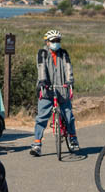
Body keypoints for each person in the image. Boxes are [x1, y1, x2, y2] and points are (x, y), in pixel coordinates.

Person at [29, 29, 78, 157]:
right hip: (46, 89)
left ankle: (73, 138)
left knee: (68, 115)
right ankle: (37, 144)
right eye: (53, 41)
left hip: (63, 89)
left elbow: (68, 68)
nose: (56, 43)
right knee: (42, 117)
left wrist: (70, 81)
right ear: (47, 42)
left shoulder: (64, 53)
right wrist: (43, 81)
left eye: (58, 40)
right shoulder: (42, 53)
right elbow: (41, 68)